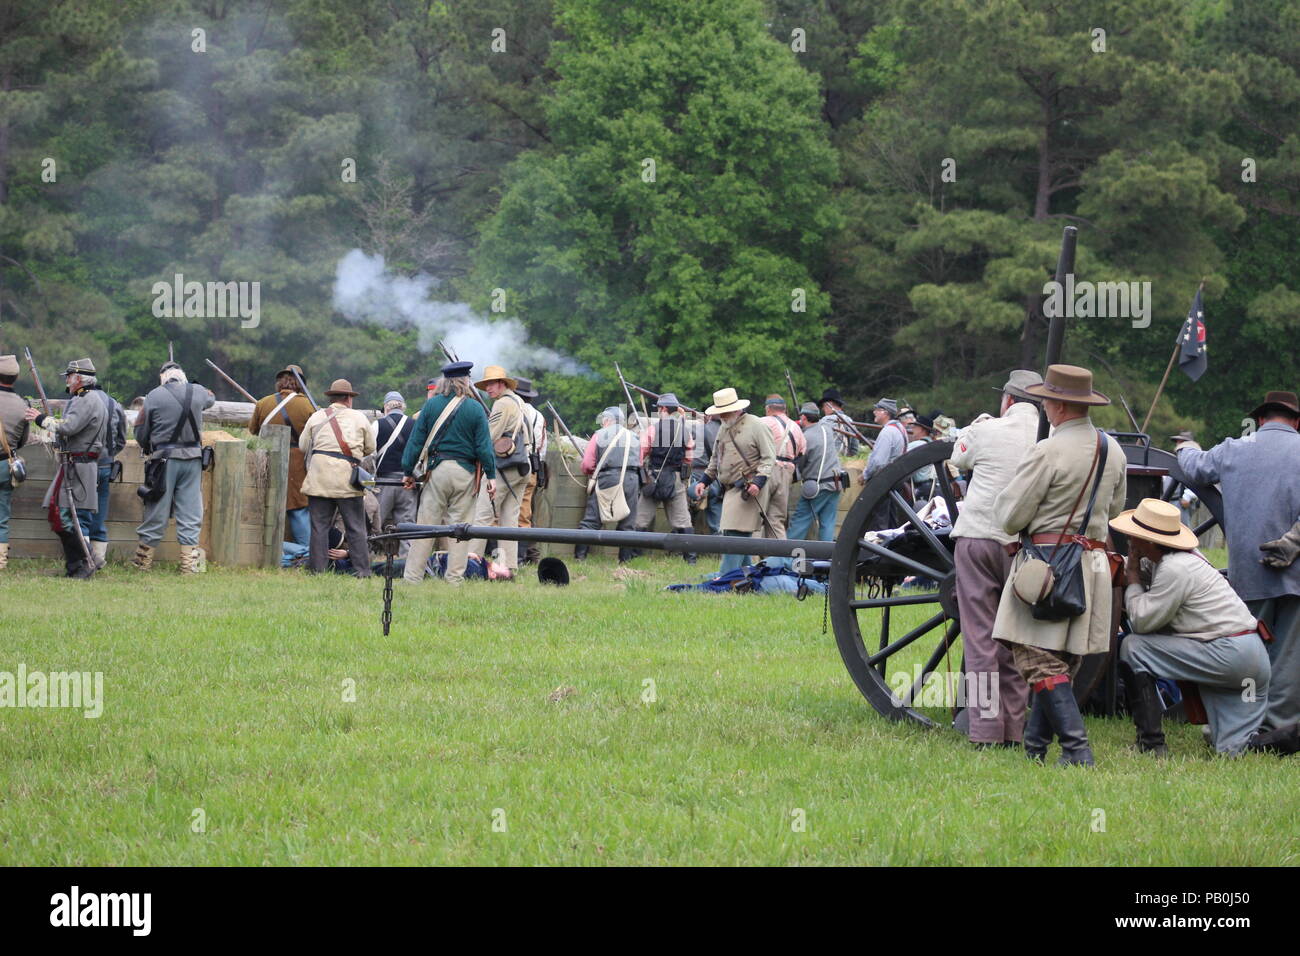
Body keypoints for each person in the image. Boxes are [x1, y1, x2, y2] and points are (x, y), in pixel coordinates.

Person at [991, 365, 1128, 766]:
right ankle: (1035, 750)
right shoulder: (1112, 449)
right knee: (1062, 660)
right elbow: (1115, 509)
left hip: (1046, 568)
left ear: (1061, 405)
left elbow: (1012, 516)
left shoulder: (1048, 450)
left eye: (1047, 399)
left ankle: (1077, 749)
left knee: (1035, 656)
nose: (1045, 406)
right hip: (1091, 566)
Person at [1179, 390, 1300, 735]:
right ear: (1297, 421)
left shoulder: (1235, 448)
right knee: (1289, 657)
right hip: (1296, 575)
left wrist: (1185, 446)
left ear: (1260, 419)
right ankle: (1277, 727)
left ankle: (1238, 725)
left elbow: (1193, 467)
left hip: (1251, 572)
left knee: (1248, 653)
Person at [1111, 498, 1271, 756]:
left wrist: (1130, 577)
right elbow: (1148, 580)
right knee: (1234, 749)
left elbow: (1140, 622)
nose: (1129, 540)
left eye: (1134, 535)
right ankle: (1291, 737)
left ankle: (1151, 745)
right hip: (1252, 664)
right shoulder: (1183, 560)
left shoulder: (1174, 568)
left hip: (1229, 656)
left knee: (1133, 647)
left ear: (1148, 542)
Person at [948, 370, 1042, 748]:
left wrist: (977, 425)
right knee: (1015, 638)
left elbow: (958, 457)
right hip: (1022, 548)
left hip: (977, 540)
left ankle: (985, 730)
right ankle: (1014, 731)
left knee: (981, 639)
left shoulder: (988, 430)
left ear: (1008, 401)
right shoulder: (1046, 439)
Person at [400, 361, 496, 585]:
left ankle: (412, 578)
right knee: (461, 529)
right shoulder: (475, 408)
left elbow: (416, 441)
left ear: (444, 381)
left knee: (425, 526)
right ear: (466, 381)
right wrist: (491, 476)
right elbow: (484, 446)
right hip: (466, 473)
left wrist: (408, 470)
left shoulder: (431, 406)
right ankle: (454, 579)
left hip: (437, 471)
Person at [25, 358, 108, 578]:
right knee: (61, 516)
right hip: (77, 464)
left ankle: (89, 559)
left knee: (64, 517)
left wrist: (41, 419)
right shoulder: (90, 398)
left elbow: (69, 427)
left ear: (79, 378)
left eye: (70, 377)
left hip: (78, 466)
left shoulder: (85, 399)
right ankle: (76, 566)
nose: (68, 381)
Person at [131, 362, 215, 574]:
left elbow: (141, 430)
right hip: (193, 459)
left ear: (163, 378)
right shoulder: (197, 392)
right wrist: (196, 386)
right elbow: (210, 398)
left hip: (163, 461)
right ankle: (191, 567)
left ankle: (143, 563)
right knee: (191, 511)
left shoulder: (153, 396)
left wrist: (147, 446)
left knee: (157, 509)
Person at [694, 387, 775, 575]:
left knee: (736, 533)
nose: (722, 415)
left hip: (749, 488)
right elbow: (716, 458)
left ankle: (725, 577)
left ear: (736, 409)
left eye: (725, 411)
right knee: (735, 533)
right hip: (730, 489)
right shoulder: (724, 427)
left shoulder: (757, 425)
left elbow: (768, 458)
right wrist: (704, 481)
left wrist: (758, 482)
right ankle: (748, 575)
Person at [299, 379, 375, 577]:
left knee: (319, 527)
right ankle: (362, 571)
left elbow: (303, 446)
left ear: (331, 398)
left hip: (319, 478)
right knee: (356, 527)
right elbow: (370, 448)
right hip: (347, 478)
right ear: (349, 398)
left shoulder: (316, 417)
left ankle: (317, 570)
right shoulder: (359, 418)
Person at [467, 366, 534, 574]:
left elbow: (489, 436)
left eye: (492, 384)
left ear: (503, 384)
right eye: (486, 384)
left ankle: (473, 564)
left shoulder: (502, 404)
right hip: (522, 466)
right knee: (509, 520)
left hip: (504, 468)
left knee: (482, 516)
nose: (488, 388)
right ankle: (508, 565)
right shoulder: (519, 402)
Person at [249, 365, 315, 547]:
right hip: (297, 464)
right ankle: (305, 553)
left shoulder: (263, 403)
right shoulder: (308, 405)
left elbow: (253, 431)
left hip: (266, 461)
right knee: (298, 510)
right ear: (301, 384)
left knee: (268, 505)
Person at [576, 407, 642, 563]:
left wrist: (596, 471)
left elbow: (587, 464)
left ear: (607, 420)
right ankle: (625, 562)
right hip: (632, 479)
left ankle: (580, 558)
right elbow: (639, 461)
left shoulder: (599, 435)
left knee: (591, 522)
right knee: (628, 524)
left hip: (607, 479)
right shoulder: (635, 436)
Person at [635, 393, 696, 561]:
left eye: (658, 409)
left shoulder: (652, 430)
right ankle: (690, 559)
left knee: (641, 520)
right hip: (675, 479)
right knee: (683, 521)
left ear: (662, 409)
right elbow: (689, 458)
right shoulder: (685, 431)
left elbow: (640, 455)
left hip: (652, 478)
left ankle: (631, 557)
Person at [82, 375, 127, 569]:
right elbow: (122, 440)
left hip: (83, 465)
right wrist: (108, 455)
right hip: (106, 465)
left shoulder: (81, 402)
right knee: (99, 516)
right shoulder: (114, 404)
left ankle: (83, 559)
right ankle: (98, 560)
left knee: (81, 514)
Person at [368, 390, 417, 555]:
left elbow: (369, 454)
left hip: (384, 482)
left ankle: (370, 556)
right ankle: (406, 561)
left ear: (386, 407)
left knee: (375, 522)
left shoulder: (377, 425)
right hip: (408, 482)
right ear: (403, 407)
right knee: (408, 525)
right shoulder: (414, 424)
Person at [788, 402, 843, 543]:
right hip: (836, 483)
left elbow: (799, 464)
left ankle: (784, 558)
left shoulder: (806, 437)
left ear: (804, 418)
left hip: (818, 486)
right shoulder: (827, 429)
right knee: (827, 525)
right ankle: (826, 559)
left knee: (799, 522)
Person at [0, 355, 31, 571]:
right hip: (5, 465)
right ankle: (0, 560)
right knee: (1, 517)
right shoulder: (23, 405)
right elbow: (22, 440)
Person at [758, 395, 805, 539]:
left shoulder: (762, 422)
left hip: (765, 470)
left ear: (768, 408)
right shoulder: (796, 427)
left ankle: (752, 559)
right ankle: (779, 559)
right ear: (784, 409)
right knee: (776, 520)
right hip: (786, 473)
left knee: (756, 517)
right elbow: (802, 452)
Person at [514, 376, 549, 565]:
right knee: (524, 513)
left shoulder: (512, 411)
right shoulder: (539, 416)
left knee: (499, 513)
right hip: (531, 468)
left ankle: (506, 556)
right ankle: (520, 558)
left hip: (511, 467)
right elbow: (542, 449)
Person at [686, 412, 722, 534]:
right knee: (716, 524)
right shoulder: (726, 432)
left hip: (697, 477)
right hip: (716, 479)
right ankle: (721, 549)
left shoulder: (697, 429)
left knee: (685, 513)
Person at [819, 388, 860, 455]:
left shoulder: (824, 420)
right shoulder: (849, 420)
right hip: (846, 461)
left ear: (829, 404)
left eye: (823, 406)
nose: (823, 409)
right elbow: (854, 448)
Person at [905, 413, 936, 501]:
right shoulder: (933, 444)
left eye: (915, 426)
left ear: (921, 429)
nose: (912, 428)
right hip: (932, 486)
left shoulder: (915, 445)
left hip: (919, 487)